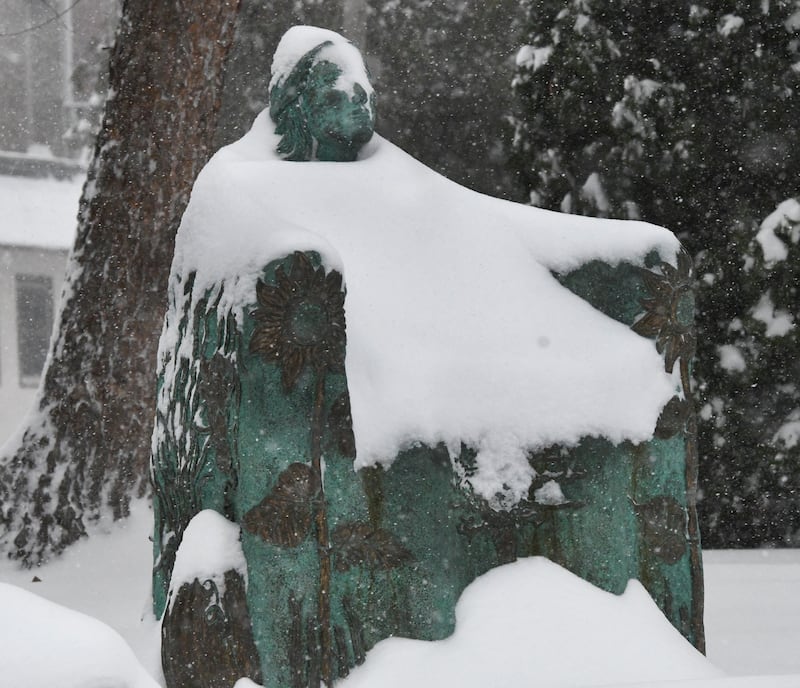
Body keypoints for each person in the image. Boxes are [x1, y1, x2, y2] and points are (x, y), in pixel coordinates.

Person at [268, 26, 376, 162]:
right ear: (298, 103)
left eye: (362, 78)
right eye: (333, 79)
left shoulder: (397, 172)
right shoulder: (251, 172)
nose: (361, 94)